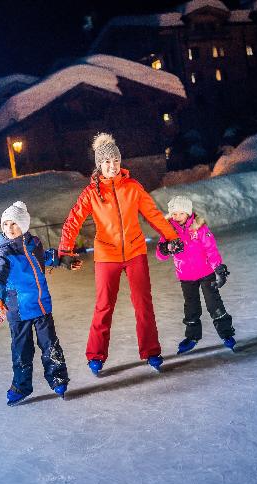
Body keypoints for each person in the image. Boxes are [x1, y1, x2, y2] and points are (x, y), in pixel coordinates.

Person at [58, 133, 183, 374]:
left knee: (143, 304)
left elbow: (153, 214)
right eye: (107, 162)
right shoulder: (91, 193)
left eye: (115, 160)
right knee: (104, 306)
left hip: (135, 252)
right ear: (99, 165)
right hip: (107, 255)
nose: (112, 166)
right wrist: (65, 250)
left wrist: (172, 237)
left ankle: (151, 351)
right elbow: (73, 221)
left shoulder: (133, 187)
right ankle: (96, 355)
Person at [0, 201, 79, 406]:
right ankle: (21, 386)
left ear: (23, 225)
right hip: (18, 309)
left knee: (50, 345)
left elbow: (44, 257)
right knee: (22, 350)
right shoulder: (4, 252)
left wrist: (64, 260)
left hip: (41, 305)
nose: (9, 229)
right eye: (5, 224)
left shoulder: (34, 244)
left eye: (14, 224)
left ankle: (58, 379)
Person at [155, 195, 235, 353]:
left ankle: (226, 334)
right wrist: (167, 248)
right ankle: (192, 336)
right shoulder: (168, 231)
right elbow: (160, 255)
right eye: (174, 214)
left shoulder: (199, 228)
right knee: (191, 307)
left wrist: (218, 268)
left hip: (206, 273)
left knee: (214, 304)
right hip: (186, 276)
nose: (177, 217)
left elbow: (211, 249)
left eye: (181, 213)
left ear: (188, 213)